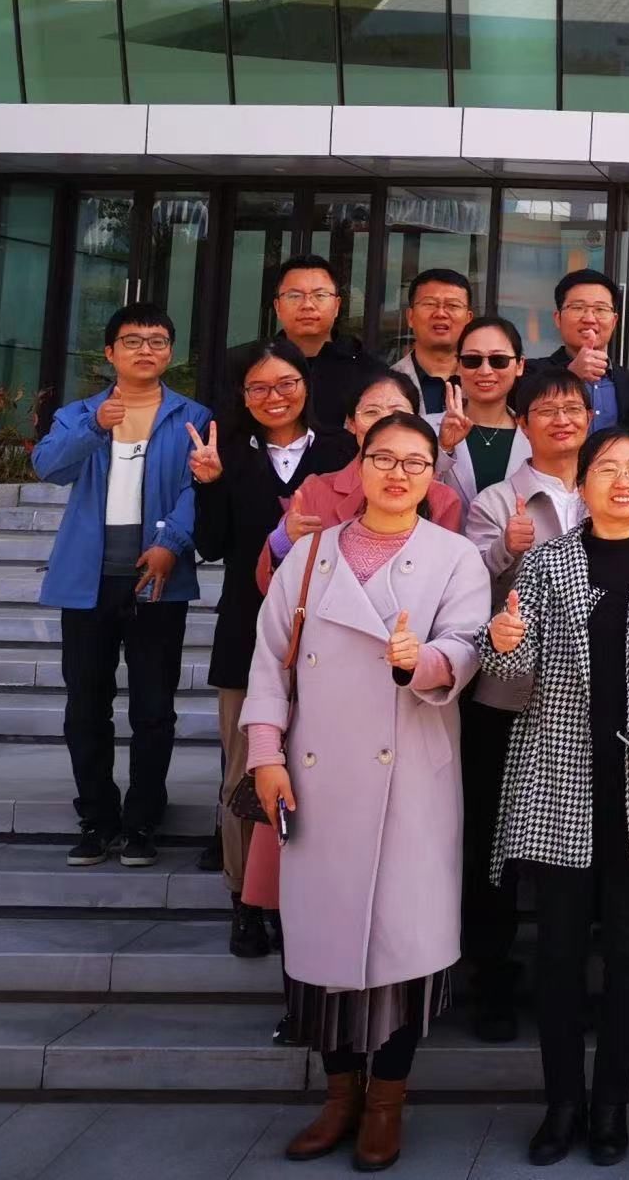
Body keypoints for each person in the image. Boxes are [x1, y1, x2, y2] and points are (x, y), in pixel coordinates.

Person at [243, 413, 490, 1172]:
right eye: (384, 457)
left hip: (410, 777)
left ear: (432, 476)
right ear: (360, 461)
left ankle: (386, 1100)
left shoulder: (455, 556)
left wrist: (422, 661)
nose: (398, 473)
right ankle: (338, 1096)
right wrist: (265, 756)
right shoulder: (311, 555)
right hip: (316, 780)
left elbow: (468, 645)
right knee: (322, 945)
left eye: (416, 462)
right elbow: (269, 660)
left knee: (401, 949)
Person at [476, 425, 629, 1167]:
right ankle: (561, 1104)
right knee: (557, 956)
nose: (622, 479)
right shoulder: (547, 560)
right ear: (582, 483)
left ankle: (610, 1104)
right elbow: (509, 664)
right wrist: (502, 640)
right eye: (606, 468)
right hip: (560, 782)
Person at [192, 340, 356, 958]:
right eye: (258, 387)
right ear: (241, 396)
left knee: (318, 774)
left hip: (332, 637)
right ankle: (245, 902)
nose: (274, 396)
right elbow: (211, 546)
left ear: (306, 385)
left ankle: (300, 897)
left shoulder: (341, 451)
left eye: (286, 382)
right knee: (246, 773)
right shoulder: (227, 453)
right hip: (247, 633)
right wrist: (209, 485)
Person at [35, 303, 211, 869]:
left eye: (157, 340)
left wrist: (172, 543)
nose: (145, 350)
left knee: (154, 708)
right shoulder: (79, 414)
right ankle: (97, 817)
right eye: (133, 341)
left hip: (158, 581)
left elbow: (199, 488)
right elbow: (48, 467)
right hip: (87, 582)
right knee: (86, 705)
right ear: (110, 352)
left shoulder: (193, 416)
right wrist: (95, 427)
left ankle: (142, 821)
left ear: (171, 352)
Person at [457, 366, 591, 1044]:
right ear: (522, 422)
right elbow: (465, 596)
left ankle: (567, 980)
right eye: (546, 410)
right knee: (495, 846)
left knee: (579, 845)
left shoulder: (610, 487)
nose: (561, 420)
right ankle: (492, 981)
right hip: (508, 700)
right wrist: (501, 552)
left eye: (573, 409)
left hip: (586, 703)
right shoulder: (494, 500)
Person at [253, 373, 464, 593]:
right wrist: (283, 542)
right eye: (371, 412)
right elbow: (272, 590)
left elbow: (445, 585)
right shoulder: (315, 491)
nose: (384, 423)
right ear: (351, 423)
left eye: (398, 413)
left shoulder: (442, 499)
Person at [221, 255, 388, 431]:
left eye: (320, 295)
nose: (307, 305)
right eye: (294, 296)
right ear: (277, 306)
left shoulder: (369, 371)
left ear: (337, 306)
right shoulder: (243, 364)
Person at [533, 271, 629, 435]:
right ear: (558, 318)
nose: (589, 318)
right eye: (578, 308)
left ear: (614, 321)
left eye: (600, 309)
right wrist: (570, 375)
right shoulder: (530, 374)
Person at [437, 316, 529, 510]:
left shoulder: (536, 435)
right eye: (472, 360)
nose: (485, 370)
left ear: (520, 365)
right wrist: (443, 449)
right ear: (458, 365)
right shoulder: (426, 429)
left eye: (499, 360)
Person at [392, 268, 472, 417]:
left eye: (453, 305)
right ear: (410, 317)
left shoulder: (488, 381)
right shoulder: (386, 383)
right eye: (429, 304)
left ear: (468, 319)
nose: (440, 313)